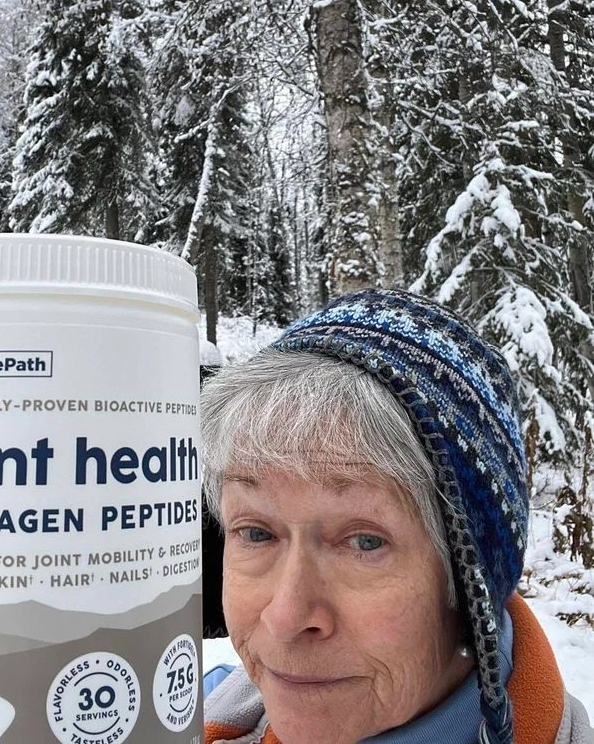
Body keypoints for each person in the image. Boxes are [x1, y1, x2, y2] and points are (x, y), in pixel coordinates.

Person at [199, 289, 593, 744]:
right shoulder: (198, 708)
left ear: (469, 590)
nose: (285, 617)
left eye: (365, 542)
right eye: (256, 532)